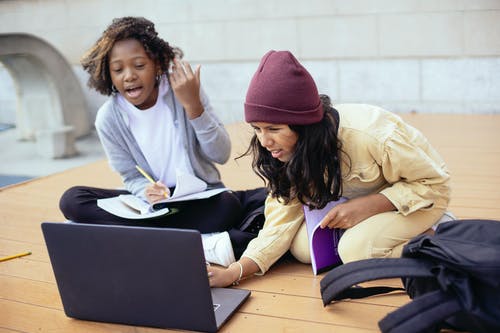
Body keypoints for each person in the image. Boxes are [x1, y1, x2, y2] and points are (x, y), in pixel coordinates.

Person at [208, 50, 452, 287]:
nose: (264, 141)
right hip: (362, 203)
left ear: (303, 126)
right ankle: (374, 234)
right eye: (256, 128)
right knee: (302, 247)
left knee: (355, 251)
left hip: (420, 198)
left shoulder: (373, 135)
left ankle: (439, 234)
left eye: (273, 129)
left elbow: (434, 184)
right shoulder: (287, 150)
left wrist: (369, 205)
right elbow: (279, 223)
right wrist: (234, 272)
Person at [58, 17, 266, 267]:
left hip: (199, 199)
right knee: (72, 200)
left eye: (138, 65)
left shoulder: (185, 92)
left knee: (226, 206)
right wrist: (145, 191)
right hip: (152, 204)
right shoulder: (108, 118)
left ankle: (136, 239)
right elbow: (130, 176)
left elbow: (220, 153)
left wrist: (194, 107)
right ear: (108, 74)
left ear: (157, 64)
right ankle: (181, 240)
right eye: (118, 69)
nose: (129, 76)